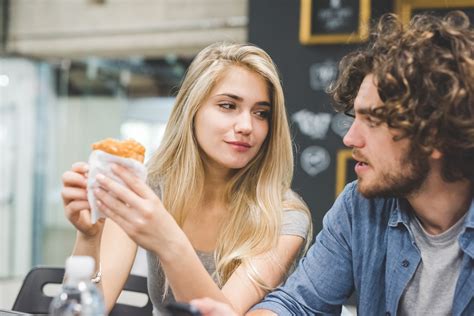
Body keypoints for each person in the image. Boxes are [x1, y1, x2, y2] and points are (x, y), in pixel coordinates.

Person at [191, 11, 474, 316]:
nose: (350, 138)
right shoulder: (360, 206)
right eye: (355, 118)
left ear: (434, 134)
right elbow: (298, 303)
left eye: (373, 120)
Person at [61, 42, 312, 315]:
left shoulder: (284, 216)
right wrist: (89, 237)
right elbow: (87, 311)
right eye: (228, 106)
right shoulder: (147, 188)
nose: (246, 126)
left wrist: (167, 239)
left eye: (261, 113)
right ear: (192, 110)